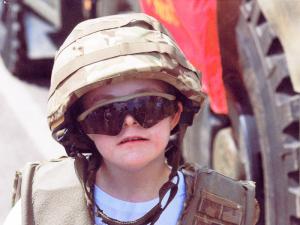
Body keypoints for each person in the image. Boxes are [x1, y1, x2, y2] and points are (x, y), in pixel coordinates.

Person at [4, 13, 259, 225]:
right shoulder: (41, 205)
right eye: (106, 114)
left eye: (148, 106)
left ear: (175, 113)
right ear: (82, 128)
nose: (129, 122)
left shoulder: (229, 208)